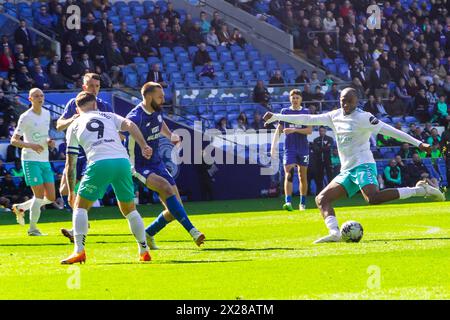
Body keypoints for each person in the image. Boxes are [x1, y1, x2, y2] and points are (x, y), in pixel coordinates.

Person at [263, 87, 445, 243]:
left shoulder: (364, 117)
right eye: (343, 101)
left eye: (349, 101)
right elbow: (309, 119)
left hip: (364, 164)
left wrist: (419, 144)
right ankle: (334, 233)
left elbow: (392, 131)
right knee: (321, 199)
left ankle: (421, 190)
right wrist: (276, 116)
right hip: (347, 169)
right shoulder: (334, 116)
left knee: (372, 198)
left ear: (356, 101)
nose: (345, 105)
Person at [60, 91, 152, 264]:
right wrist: (144, 145)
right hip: (122, 162)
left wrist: (71, 191)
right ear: (95, 104)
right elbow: (130, 124)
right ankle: (144, 249)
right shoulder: (108, 115)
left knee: (80, 206)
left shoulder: (74, 125)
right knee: (130, 209)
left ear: (77, 109)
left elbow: (70, 164)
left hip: (99, 162)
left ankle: (79, 251)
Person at [125, 82, 205, 249]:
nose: (163, 100)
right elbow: (125, 130)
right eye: (160, 97)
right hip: (138, 165)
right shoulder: (135, 116)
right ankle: (194, 232)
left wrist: (170, 135)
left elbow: (159, 123)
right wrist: (141, 146)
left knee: (176, 210)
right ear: (148, 96)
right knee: (166, 188)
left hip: (157, 163)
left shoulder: (156, 111)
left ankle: (148, 233)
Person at [57, 73, 113, 242]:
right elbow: (59, 125)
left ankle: (77, 230)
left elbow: (116, 127)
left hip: (93, 154)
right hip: (74, 152)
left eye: (97, 86)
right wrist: (72, 119)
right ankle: (81, 223)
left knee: (79, 192)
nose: (94, 89)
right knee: (64, 191)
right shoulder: (74, 104)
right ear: (84, 87)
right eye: (91, 86)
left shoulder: (104, 106)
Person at [10, 88, 56, 235]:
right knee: (39, 196)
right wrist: (31, 145)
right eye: (36, 96)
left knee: (51, 198)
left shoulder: (47, 113)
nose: (40, 98)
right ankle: (33, 229)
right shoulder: (25, 117)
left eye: (41, 95)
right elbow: (14, 141)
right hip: (30, 159)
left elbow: (45, 133)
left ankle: (21, 207)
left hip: (44, 159)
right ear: (30, 99)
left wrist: (48, 140)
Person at [270, 89, 312, 211]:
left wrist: (294, 130)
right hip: (289, 148)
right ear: (290, 99)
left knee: (302, 176)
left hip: (303, 148)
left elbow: (309, 131)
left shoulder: (306, 112)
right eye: (293, 98)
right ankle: (288, 202)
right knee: (289, 173)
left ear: (301, 99)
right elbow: (278, 130)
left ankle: (302, 203)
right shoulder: (285, 112)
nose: (295, 100)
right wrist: (273, 146)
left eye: (297, 98)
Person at [312, 126, 334, 194]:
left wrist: (320, 148)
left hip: (328, 160)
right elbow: (316, 150)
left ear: (325, 131)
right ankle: (319, 192)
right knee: (319, 177)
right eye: (320, 131)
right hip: (318, 162)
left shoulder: (330, 139)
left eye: (323, 131)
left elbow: (328, 148)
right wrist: (323, 148)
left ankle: (331, 192)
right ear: (319, 131)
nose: (322, 132)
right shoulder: (316, 140)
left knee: (330, 176)